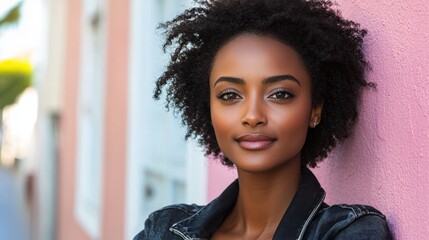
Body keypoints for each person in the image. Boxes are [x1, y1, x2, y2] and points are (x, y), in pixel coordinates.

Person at [134, 0, 392, 239]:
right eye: (230, 95)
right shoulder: (164, 228)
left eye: (280, 94)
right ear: (209, 109)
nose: (253, 116)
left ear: (314, 110)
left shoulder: (348, 231)